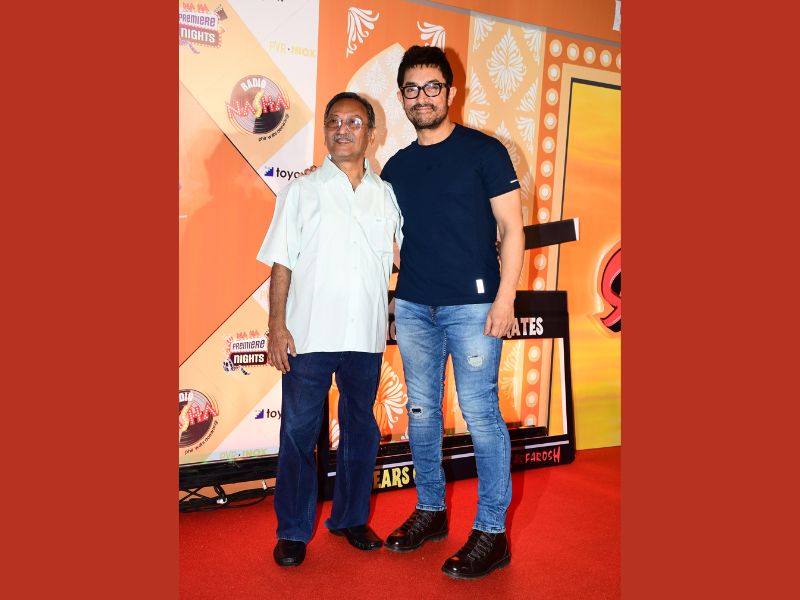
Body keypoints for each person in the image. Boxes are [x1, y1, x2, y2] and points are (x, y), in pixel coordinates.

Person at [379, 46, 524, 580]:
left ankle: (492, 532)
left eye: (432, 87)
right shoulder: (396, 167)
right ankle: (431, 511)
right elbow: (392, 238)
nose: (423, 97)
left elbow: (512, 229)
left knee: (481, 414)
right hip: (415, 305)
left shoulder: (485, 152)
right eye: (412, 89)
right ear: (402, 97)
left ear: (450, 92)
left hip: (474, 306)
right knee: (421, 413)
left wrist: (505, 299)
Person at [256, 91, 403, 568]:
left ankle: (350, 518)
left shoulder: (386, 196)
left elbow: (406, 257)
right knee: (299, 434)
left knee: (362, 432)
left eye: (354, 122)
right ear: (325, 132)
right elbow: (281, 263)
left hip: (365, 339)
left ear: (371, 135)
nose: (343, 129)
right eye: (334, 122)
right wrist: (276, 326)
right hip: (309, 336)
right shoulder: (301, 191)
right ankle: (293, 531)